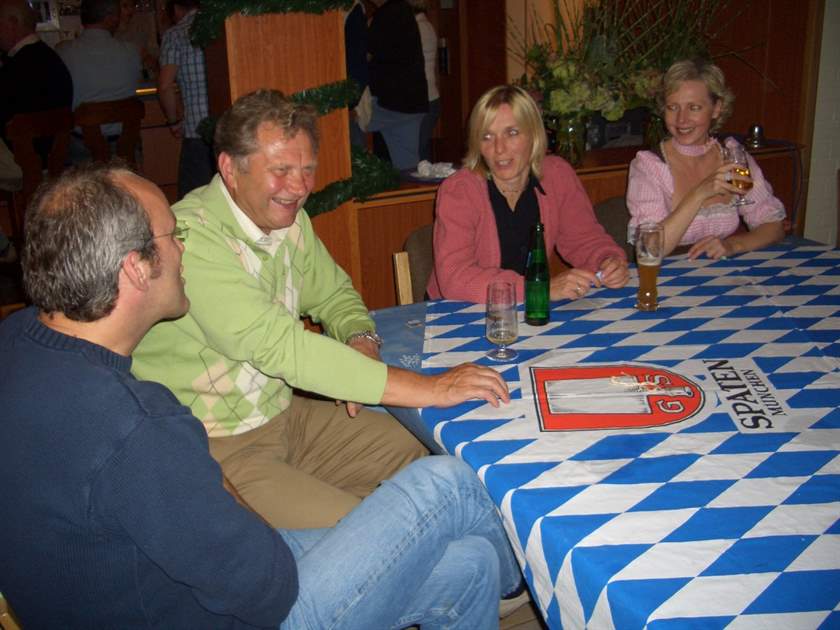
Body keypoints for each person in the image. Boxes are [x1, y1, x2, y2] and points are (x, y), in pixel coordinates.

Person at [0, 161, 526, 628]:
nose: (183, 248)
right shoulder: (135, 427)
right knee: (447, 482)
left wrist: (209, 492)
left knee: (469, 565)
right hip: (241, 609)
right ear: (135, 268)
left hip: (153, 583)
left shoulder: (18, 339)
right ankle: (530, 582)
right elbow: (266, 587)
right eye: (172, 235)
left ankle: (503, 575)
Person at [132, 89, 510, 530]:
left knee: (425, 450)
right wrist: (433, 388)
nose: (299, 188)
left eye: (307, 169)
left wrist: (360, 340)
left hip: (285, 418)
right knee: (382, 535)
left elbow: (335, 296)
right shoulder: (191, 238)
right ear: (230, 169)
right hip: (215, 449)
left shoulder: (289, 221)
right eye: (281, 171)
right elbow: (284, 349)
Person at [428, 84, 630, 303]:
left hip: (525, 307)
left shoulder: (557, 175)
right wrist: (537, 289)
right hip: (459, 311)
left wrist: (607, 260)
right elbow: (455, 279)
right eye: (487, 136)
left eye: (511, 133)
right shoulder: (459, 190)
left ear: (534, 135)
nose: (499, 148)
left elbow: (583, 239)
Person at [626, 58, 786, 260]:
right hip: (666, 272)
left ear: (717, 108)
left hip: (721, 270)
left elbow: (774, 226)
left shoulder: (733, 156)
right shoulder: (650, 165)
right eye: (673, 107)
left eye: (694, 107)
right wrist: (699, 194)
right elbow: (649, 249)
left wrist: (732, 245)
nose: (681, 119)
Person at [157, 0, 215, 199]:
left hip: (196, 129)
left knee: (193, 198)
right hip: (229, 127)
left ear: (175, 8)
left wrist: (173, 121)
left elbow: (165, 85)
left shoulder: (175, 35)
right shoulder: (220, 26)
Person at [366, 0, 428, 171]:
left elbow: (366, 54)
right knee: (408, 166)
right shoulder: (403, 11)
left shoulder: (387, 14)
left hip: (390, 102)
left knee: (348, 124)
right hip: (412, 101)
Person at [0, 0, 72, 136]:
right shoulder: (48, 56)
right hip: (55, 145)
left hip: (23, 146)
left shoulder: (16, 66)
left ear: (13, 23)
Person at [57, 0, 142, 112]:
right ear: (111, 18)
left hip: (81, 122)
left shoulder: (63, 51)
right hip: (128, 122)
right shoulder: (131, 51)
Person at [409, 0, 439, 163]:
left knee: (418, 154)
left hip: (424, 99)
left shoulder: (418, 29)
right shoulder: (426, 26)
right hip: (429, 98)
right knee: (421, 151)